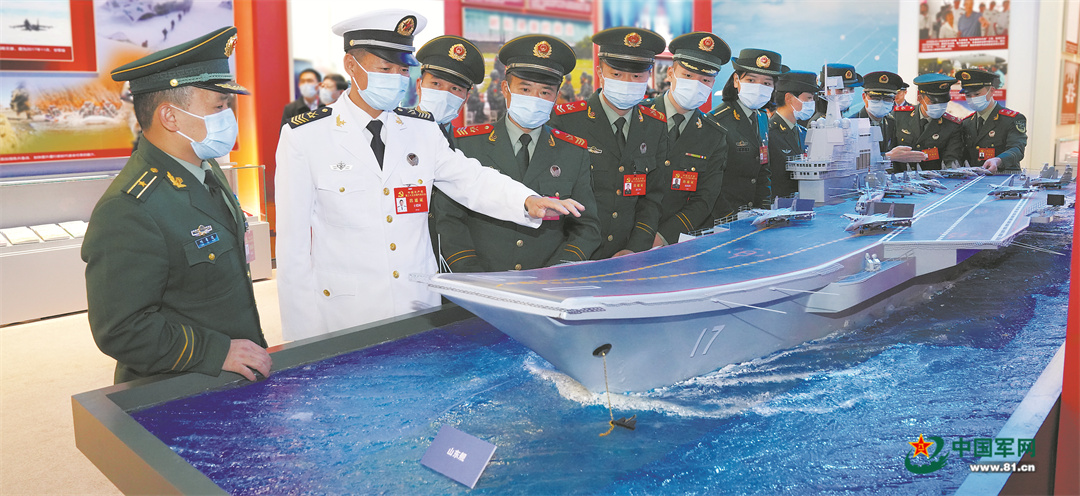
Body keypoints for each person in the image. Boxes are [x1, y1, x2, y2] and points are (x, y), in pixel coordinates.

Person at [274, 9, 585, 340]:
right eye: (385, 69)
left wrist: (526, 200)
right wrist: (303, 341)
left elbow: (471, 178)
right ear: (351, 65)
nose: (396, 78)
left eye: (402, 69)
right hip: (347, 312)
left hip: (416, 305)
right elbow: (293, 250)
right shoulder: (306, 136)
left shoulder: (420, 130)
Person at [83, 26, 271, 384]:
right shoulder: (129, 209)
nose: (228, 116)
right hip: (180, 385)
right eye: (219, 106)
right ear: (170, 117)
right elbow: (121, 329)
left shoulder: (205, 167)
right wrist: (215, 351)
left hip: (233, 376)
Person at [432, 35, 600, 272]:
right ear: (505, 88)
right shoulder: (467, 145)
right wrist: (473, 275)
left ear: (556, 95)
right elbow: (449, 219)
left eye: (545, 92)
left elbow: (586, 226)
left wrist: (556, 273)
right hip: (481, 279)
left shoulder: (573, 151)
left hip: (548, 281)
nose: (534, 99)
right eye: (525, 89)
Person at [548, 27, 669, 258]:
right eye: (617, 74)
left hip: (628, 255)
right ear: (600, 72)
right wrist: (571, 256)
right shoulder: (567, 121)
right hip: (574, 254)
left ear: (649, 75)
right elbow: (554, 195)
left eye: (637, 76)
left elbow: (652, 198)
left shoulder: (655, 125)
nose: (627, 82)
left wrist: (635, 248)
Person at [642, 32, 730, 243]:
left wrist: (663, 236)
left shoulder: (714, 135)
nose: (696, 84)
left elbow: (705, 199)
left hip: (677, 240)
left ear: (713, 83)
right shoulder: (639, 117)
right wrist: (639, 235)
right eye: (688, 76)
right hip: (626, 237)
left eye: (705, 80)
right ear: (670, 73)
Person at [706, 48, 786, 220]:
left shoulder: (762, 118)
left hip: (753, 218)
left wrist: (764, 212)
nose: (759, 87)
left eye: (767, 83)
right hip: (722, 219)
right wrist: (731, 218)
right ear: (736, 80)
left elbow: (763, 170)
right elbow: (710, 182)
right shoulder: (717, 120)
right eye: (751, 80)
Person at [414, 35, 485, 147]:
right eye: (436, 84)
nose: (444, 95)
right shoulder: (390, 132)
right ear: (419, 86)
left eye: (455, 88)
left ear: (465, 99)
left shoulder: (471, 148)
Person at [887, 73, 964, 171]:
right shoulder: (899, 116)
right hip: (901, 177)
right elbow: (889, 151)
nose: (939, 106)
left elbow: (952, 160)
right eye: (933, 102)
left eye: (943, 103)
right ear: (920, 98)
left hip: (935, 178)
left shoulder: (952, 125)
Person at [956, 68, 1026, 173]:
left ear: (992, 91)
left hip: (1003, 176)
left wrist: (998, 160)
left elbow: (1017, 149)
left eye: (977, 94)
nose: (972, 99)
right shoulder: (967, 122)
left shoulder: (1011, 119)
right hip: (975, 178)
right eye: (968, 95)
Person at [768, 70, 817, 199]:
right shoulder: (769, 133)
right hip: (777, 203)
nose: (812, 103)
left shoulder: (803, 133)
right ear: (789, 98)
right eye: (809, 98)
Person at [856, 71, 904, 154]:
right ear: (864, 97)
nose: (881, 102)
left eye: (888, 98)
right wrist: (887, 156)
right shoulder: (854, 122)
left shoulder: (891, 122)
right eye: (875, 97)